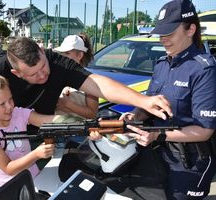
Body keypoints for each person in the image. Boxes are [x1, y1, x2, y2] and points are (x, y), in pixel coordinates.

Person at [0, 36, 172, 164]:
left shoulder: (59, 62)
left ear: (43, 52)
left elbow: (96, 84)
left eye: (43, 67)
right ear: (16, 73)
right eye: (33, 74)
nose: (42, 76)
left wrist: (143, 101)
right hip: (5, 141)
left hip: (43, 136)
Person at [91, 0, 216, 199]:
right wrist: (133, 114)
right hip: (155, 155)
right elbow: (149, 104)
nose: (163, 39)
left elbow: (204, 130)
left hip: (189, 162)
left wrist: (159, 135)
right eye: (161, 33)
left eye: (170, 33)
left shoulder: (204, 69)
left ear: (191, 29)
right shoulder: (161, 65)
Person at [0, 72, 57, 191]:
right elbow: (8, 168)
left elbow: (50, 121)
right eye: (2, 104)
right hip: (7, 188)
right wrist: (36, 154)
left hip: (33, 179)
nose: (10, 106)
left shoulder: (18, 113)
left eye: (10, 99)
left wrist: (82, 124)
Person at [54, 33, 98, 119]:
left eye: (67, 53)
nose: (63, 56)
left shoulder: (90, 80)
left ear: (80, 55)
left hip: (78, 130)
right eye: (62, 53)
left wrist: (67, 104)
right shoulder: (57, 75)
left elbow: (92, 114)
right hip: (55, 128)